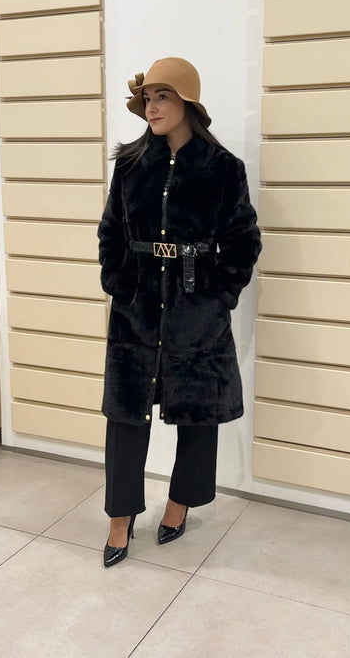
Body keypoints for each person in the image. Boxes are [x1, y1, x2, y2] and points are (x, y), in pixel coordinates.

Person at [98, 57, 261, 567]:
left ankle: (179, 503)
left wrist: (220, 294)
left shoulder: (223, 169)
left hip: (197, 309)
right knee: (126, 413)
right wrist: (118, 282)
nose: (151, 108)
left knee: (197, 413)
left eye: (162, 97)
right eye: (147, 99)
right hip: (137, 308)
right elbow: (110, 232)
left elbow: (243, 241)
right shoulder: (129, 166)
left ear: (187, 102)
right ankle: (120, 516)